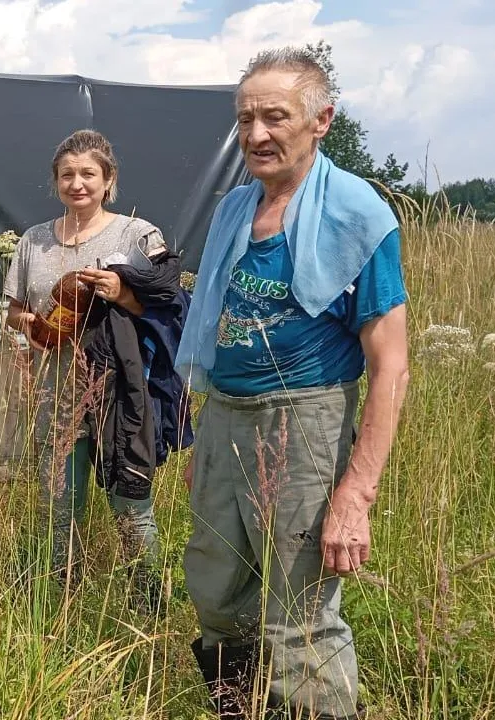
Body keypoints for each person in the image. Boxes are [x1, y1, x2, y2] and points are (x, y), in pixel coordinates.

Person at [175, 47, 409, 720]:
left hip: (303, 422)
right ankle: (240, 709)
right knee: (216, 590)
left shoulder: (358, 217)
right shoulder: (233, 211)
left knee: (297, 613)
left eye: (274, 117)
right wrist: (206, 440)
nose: (256, 135)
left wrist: (356, 494)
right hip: (225, 418)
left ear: (321, 120)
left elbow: (390, 365)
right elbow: (219, 329)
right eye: (245, 118)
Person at [2, 129, 188, 615]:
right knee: (59, 508)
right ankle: (58, 606)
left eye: (88, 174)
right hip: (53, 393)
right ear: (55, 182)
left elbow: (169, 306)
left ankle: (149, 607)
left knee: (131, 504)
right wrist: (41, 327)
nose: (77, 184)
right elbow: (14, 311)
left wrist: (120, 293)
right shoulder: (34, 241)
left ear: (109, 181)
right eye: (67, 175)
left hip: (119, 394)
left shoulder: (135, 234)